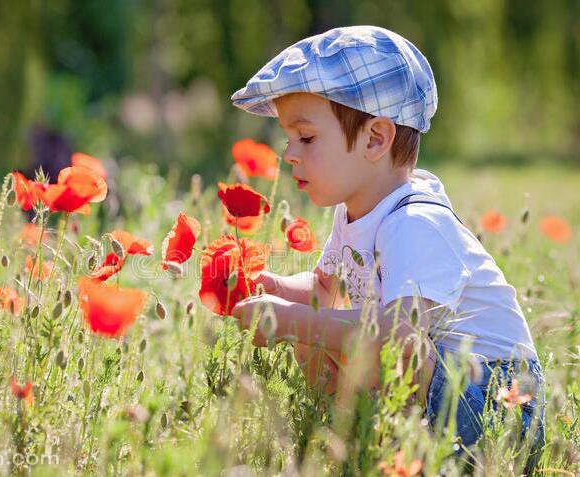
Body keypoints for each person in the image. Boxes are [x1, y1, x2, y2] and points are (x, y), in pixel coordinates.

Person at [229, 26, 545, 473]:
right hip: (439, 392)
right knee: (316, 328)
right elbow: (327, 289)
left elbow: (397, 337)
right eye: (288, 137)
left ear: (376, 139)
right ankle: (347, 437)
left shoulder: (415, 222)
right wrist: (273, 288)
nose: (288, 154)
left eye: (306, 137)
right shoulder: (355, 210)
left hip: (499, 406)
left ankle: (369, 439)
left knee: (369, 340)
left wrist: (292, 319)